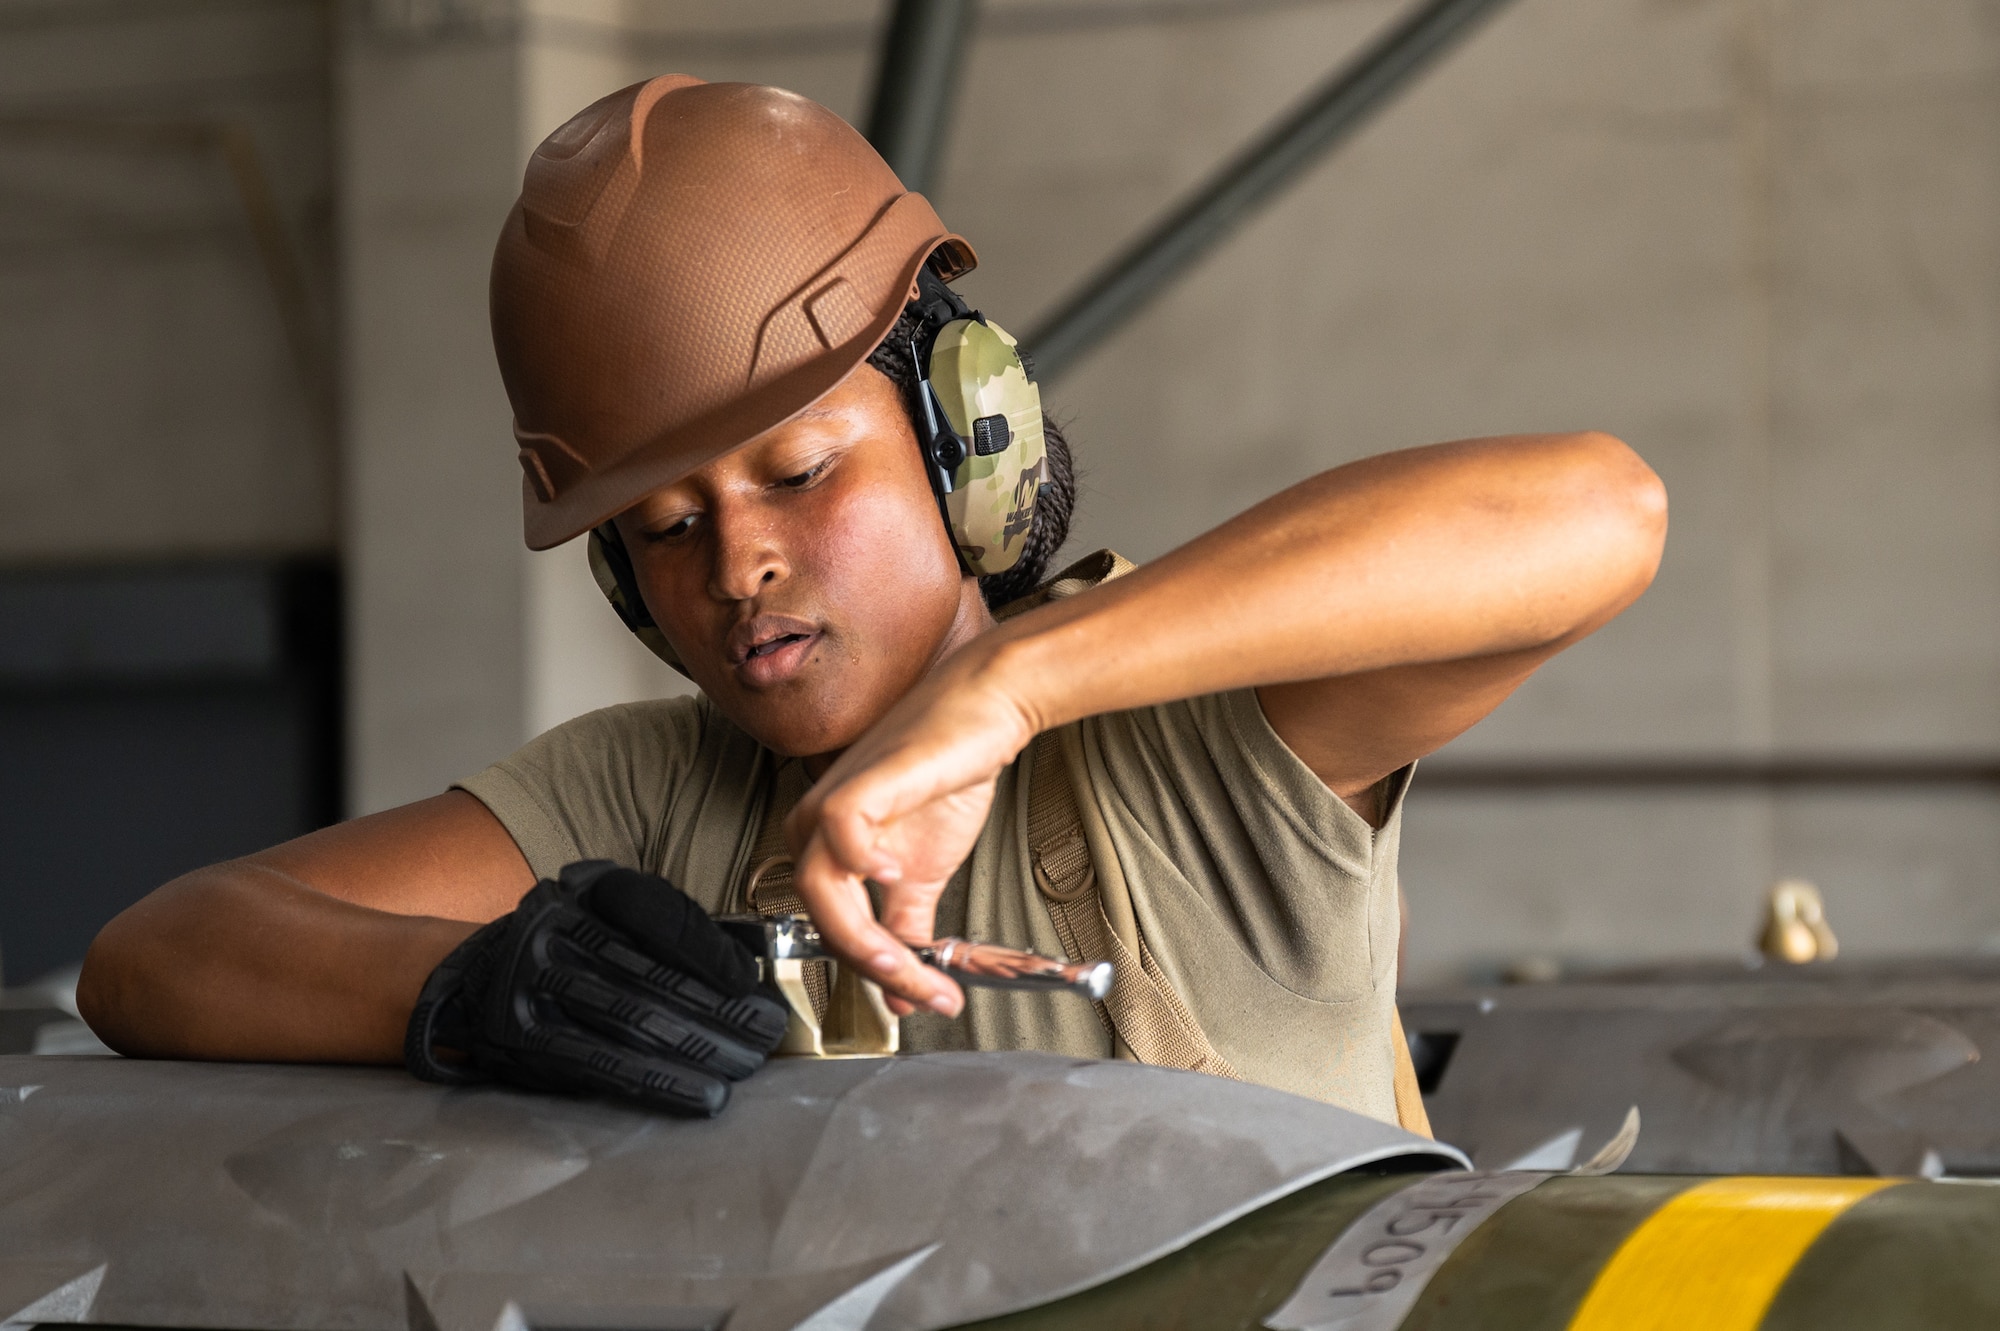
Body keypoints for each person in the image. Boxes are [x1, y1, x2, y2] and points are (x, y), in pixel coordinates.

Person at [77, 77, 1666, 1123]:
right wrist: (468, 990)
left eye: (799, 472)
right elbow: (157, 955)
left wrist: (1014, 693)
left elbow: (1600, 510)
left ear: (966, 437)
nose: (737, 564)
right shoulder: (640, 799)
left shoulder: (1191, 750)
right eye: (666, 526)